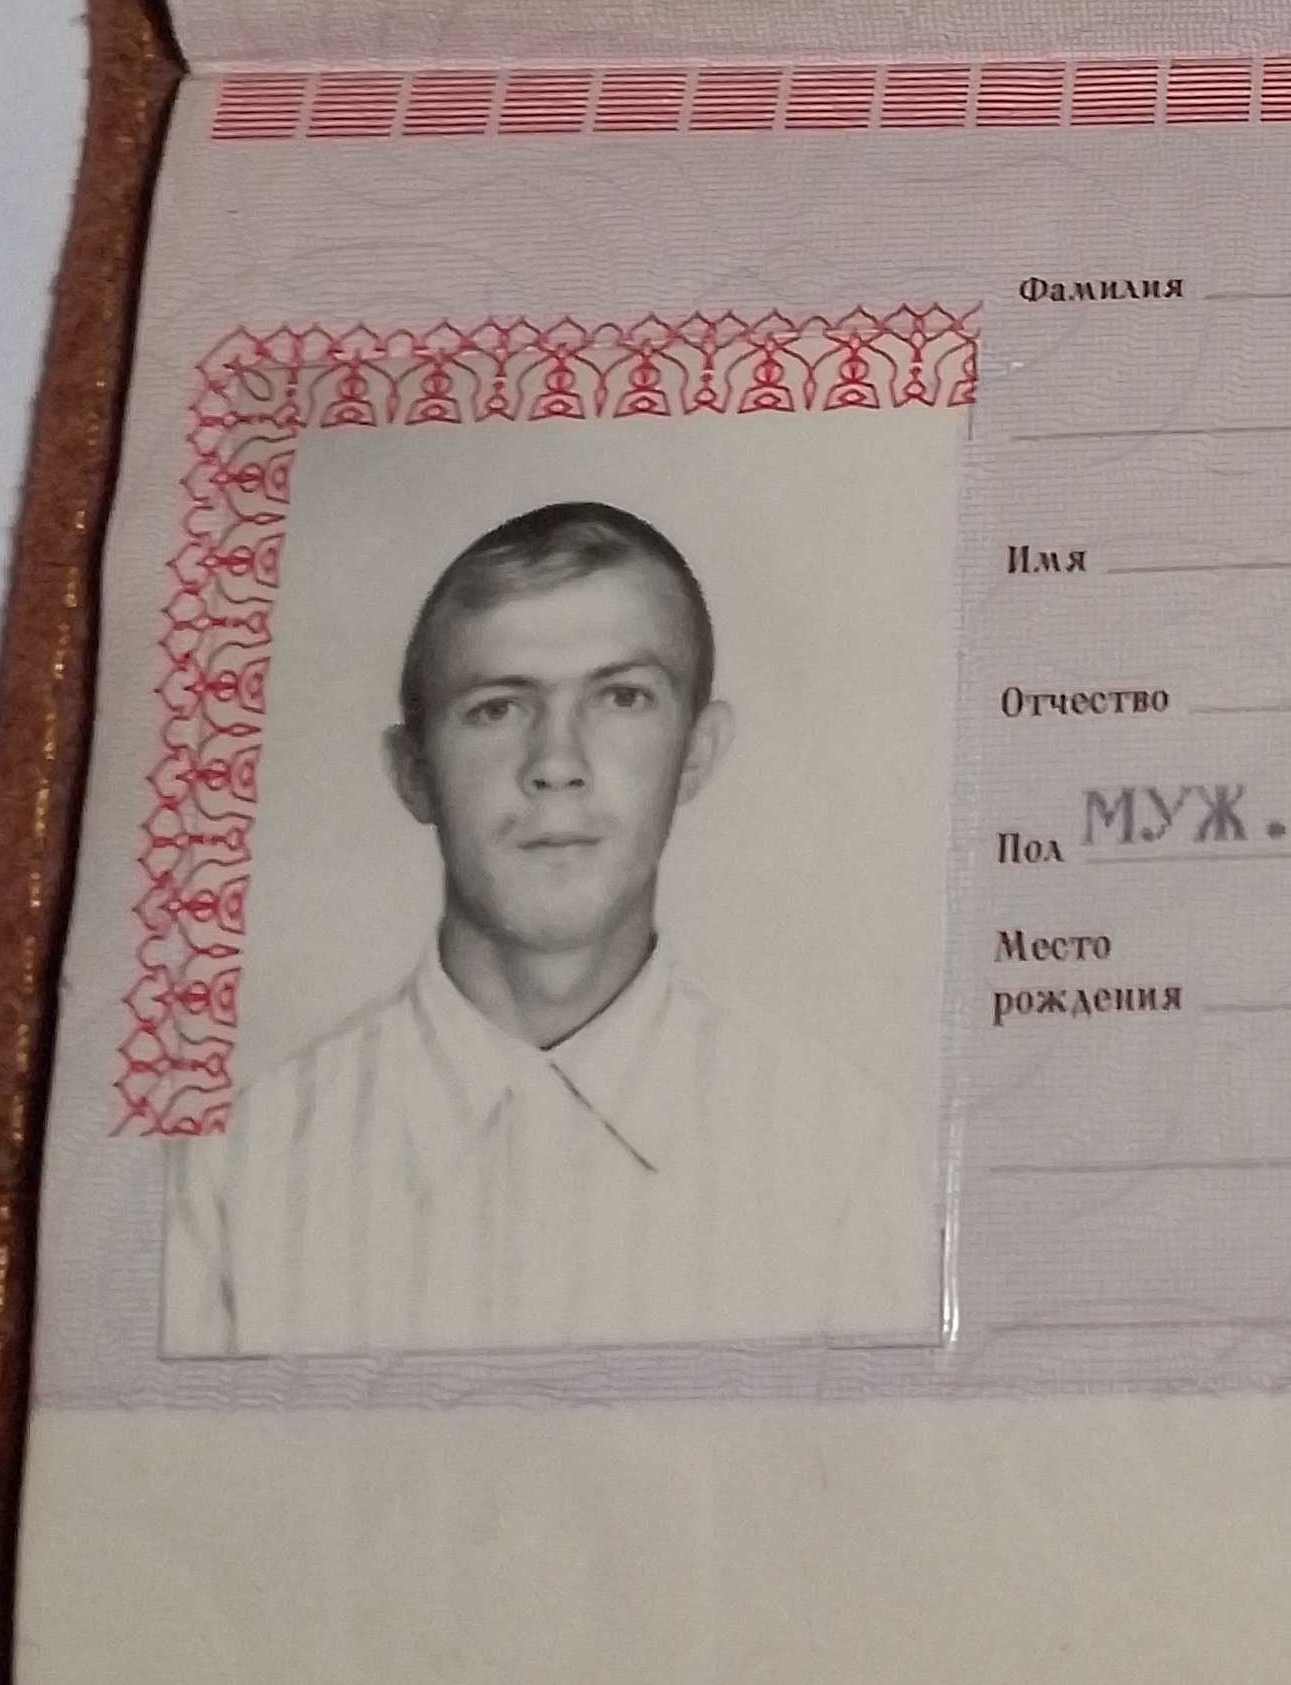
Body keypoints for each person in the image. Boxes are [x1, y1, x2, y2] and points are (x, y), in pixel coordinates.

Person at [163, 499, 934, 1355]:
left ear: (698, 752)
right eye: (497, 708)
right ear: (414, 773)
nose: (557, 764)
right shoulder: (237, 1172)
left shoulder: (843, 1156)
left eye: (623, 698)